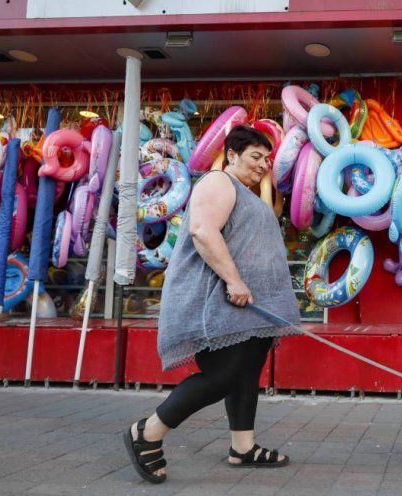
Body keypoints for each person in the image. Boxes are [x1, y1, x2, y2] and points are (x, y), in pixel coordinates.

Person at [123, 126, 301, 484]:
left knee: (246, 374)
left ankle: (243, 447)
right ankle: (148, 431)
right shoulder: (219, 182)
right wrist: (234, 281)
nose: (263, 165)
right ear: (231, 154)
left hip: (248, 310)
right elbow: (203, 231)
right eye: (255, 156)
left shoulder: (245, 193)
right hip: (219, 303)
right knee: (224, 376)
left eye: (266, 159)